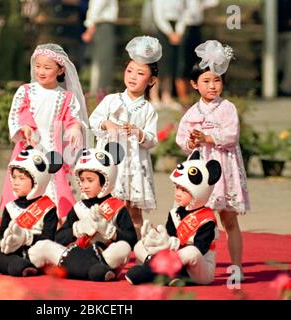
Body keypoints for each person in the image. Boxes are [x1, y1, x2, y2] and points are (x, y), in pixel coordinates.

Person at [176, 40, 250, 278]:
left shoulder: (227, 108)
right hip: (201, 175)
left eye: (217, 80)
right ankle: (198, 265)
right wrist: (191, 141)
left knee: (229, 221)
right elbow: (181, 138)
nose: (212, 86)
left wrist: (208, 136)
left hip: (224, 169)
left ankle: (236, 267)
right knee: (199, 220)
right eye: (206, 81)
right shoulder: (192, 112)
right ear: (194, 84)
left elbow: (231, 135)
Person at [1, 43, 89, 220]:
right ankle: (22, 217)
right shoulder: (25, 91)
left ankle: (52, 219)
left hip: (52, 150)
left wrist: (75, 128)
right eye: (38, 66)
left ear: (60, 70)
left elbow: (73, 117)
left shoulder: (65, 97)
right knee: (25, 180)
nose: (41, 71)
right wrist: (24, 127)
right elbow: (17, 113)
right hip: (29, 146)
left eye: (47, 67)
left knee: (54, 185)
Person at [27, 142, 138, 281]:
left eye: (90, 180)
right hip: (77, 256)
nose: (84, 186)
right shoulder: (78, 207)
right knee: (43, 245)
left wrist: (110, 231)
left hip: (103, 255)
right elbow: (58, 238)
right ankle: (94, 272)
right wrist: (76, 229)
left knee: (123, 248)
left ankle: (89, 270)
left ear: (105, 181)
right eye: (82, 180)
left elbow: (132, 241)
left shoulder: (117, 207)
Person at [89, 36, 161, 237]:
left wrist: (139, 133)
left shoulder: (148, 109)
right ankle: (102, 246)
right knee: (106, 206)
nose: (133, 76)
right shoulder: (111, 100)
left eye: (140, 73)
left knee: (133, 210)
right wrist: (107, 123)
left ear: (151, 81)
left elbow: (152, 139)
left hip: (134, 166)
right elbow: (94, 120)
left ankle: (137, 250)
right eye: (130, 71)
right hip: (111, 162)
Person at [126, 150, 222, 285]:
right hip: (174, 261)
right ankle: (171, 275)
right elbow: (169, 236)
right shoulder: (174, 213)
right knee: (140, 245)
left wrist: (171, 245)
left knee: (192, 251)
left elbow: (200, 249)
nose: (177, 193)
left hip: (199, 270)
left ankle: (151, 270)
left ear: (199, 192)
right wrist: (157, 240)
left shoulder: (207, 220)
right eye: (177, 188)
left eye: (184, 190)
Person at [0, 146, 62, 277]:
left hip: (33, 253)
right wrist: (10, 241)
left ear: (37, 181)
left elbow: (48, 238)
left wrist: (26, 238)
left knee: (46, 247)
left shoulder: (48, 208)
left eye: (21, 178)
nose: (15, 182)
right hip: (10, 252)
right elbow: (1, 235)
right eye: (14, 177)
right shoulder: (10, 206)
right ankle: (11, 264)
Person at [82, 0, 117, 96]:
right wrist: (91, 26)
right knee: (101, 62)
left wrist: (90, 26)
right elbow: (97, 5)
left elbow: (97, 6)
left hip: (101, 25)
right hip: (101, 25)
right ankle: (97, 94)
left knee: (102, 62)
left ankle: (99, 94)